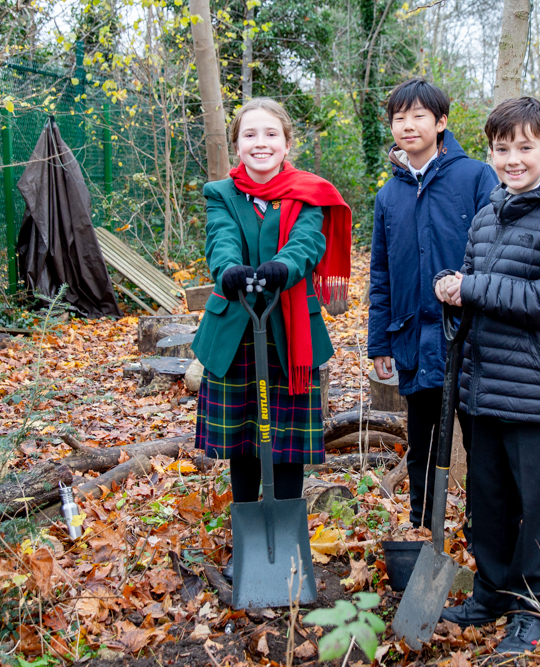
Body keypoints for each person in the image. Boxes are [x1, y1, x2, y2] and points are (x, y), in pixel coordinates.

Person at [433, 97, 540, 654]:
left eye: (526, 147)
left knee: (539, 504)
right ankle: (492, 592)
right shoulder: (488, 215)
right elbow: (479, 287)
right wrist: (453, 286)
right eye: (502, 149)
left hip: (537, 389)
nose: (513, 159)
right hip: (484, 386)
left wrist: (472, 288)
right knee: (490, 499)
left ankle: (536, 608)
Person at [191, 98, 352, 583]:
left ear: (287, 143)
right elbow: (219, 239)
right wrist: (229, 270)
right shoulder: (220, 192)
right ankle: (248, 534)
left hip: (289, 336)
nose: (260, 143)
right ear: (236, 143)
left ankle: (283, 536)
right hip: (236, 331)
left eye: (270, 135)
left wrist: (285, 266)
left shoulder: (310, 193)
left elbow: (309, 241)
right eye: (250, 135)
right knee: (242, 440)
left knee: (287, 446)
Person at [367, 79, 498, 541]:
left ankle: (482, 536)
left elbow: (496, 252)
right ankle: (423, 532)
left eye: (419, 115)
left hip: (470, 338)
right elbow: (380, 273)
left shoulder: (476, 177)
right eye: (399, 118)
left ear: (441, 123)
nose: (408, 125)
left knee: (481, 444)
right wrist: (379, 340)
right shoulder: (388, 195)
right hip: (412, 340)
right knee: (420, 442)